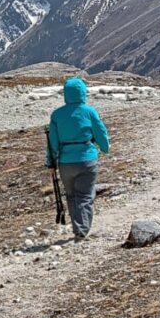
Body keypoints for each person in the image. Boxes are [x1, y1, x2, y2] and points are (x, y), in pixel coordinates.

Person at [45, 77, 109, 241]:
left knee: (71, 195)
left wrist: (50, 163)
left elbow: (52, 142)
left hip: (65, 162)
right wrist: (105, 147)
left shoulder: (57, 115)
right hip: (87, 159)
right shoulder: (89, 112)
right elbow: (100, 132)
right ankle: (81, 230)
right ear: (82, 92)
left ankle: (77, 228)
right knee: (85, 195)